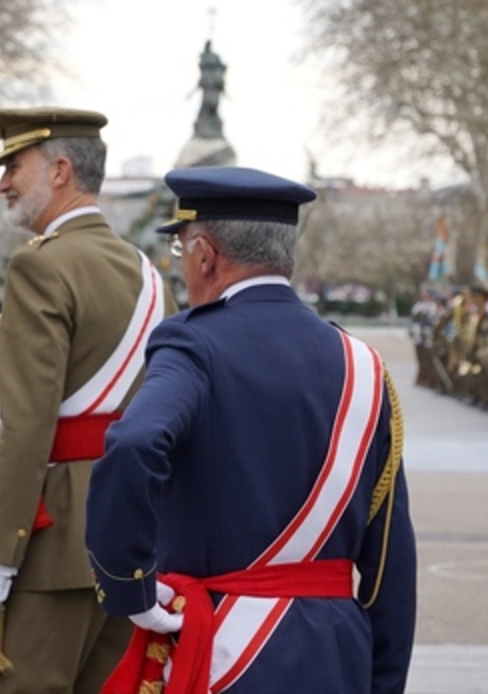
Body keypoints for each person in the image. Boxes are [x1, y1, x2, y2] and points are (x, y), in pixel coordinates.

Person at [85, 166, 417, 694]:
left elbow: (133, 442)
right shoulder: (363, 365)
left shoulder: (193, 346)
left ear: (205, 255)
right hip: (337, 655)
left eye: (182, 253)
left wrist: (132, 590)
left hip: (223, 648)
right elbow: (388, 567)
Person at [0, 107, 172, 693]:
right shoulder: (146, 272)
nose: (2, 184)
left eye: (14, 166)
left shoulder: (41, 266)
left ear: (60, 169)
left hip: (53, 539)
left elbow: (27, 425)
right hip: (133, 530)